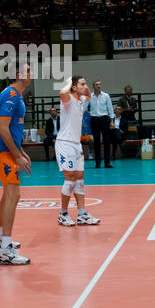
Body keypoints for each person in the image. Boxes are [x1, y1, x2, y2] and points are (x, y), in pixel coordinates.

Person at [0, 63, 33, 265]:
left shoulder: (17, 95)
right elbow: (3, 129)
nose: (31, 74)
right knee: (14, 194)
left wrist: (21, 151)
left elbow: (12, 130)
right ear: (19, 75)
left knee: (8, 193)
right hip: (4, 151)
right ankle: (5, 250)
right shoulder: (12, 95)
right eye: (28, 71)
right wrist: (17, 156)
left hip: (8, 149)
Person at [54, 75, 100, 228]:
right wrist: (68, 83)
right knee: (70, 177)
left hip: (76, 145)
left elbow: (87, 95)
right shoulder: (67, 100)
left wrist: (84, 88)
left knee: (80, 177)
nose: (85, 86)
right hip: (64, 144)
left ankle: (82, 214)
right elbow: (62, 92)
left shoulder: (80, 101)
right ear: (73, 87)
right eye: (82, 84)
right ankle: (63, 214)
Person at [87, 80, 114, 168]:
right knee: (96, 142)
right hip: (94, 119)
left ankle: (107, 163)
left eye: (100, 84)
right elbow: (84, 108)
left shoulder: (106, 96)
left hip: (104, 119)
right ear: (93, 86)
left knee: (106, 141)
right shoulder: (89, 96)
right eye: (97, 85)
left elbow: (110, 109)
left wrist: (112, 121)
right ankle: (97, 163)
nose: (99, 86)